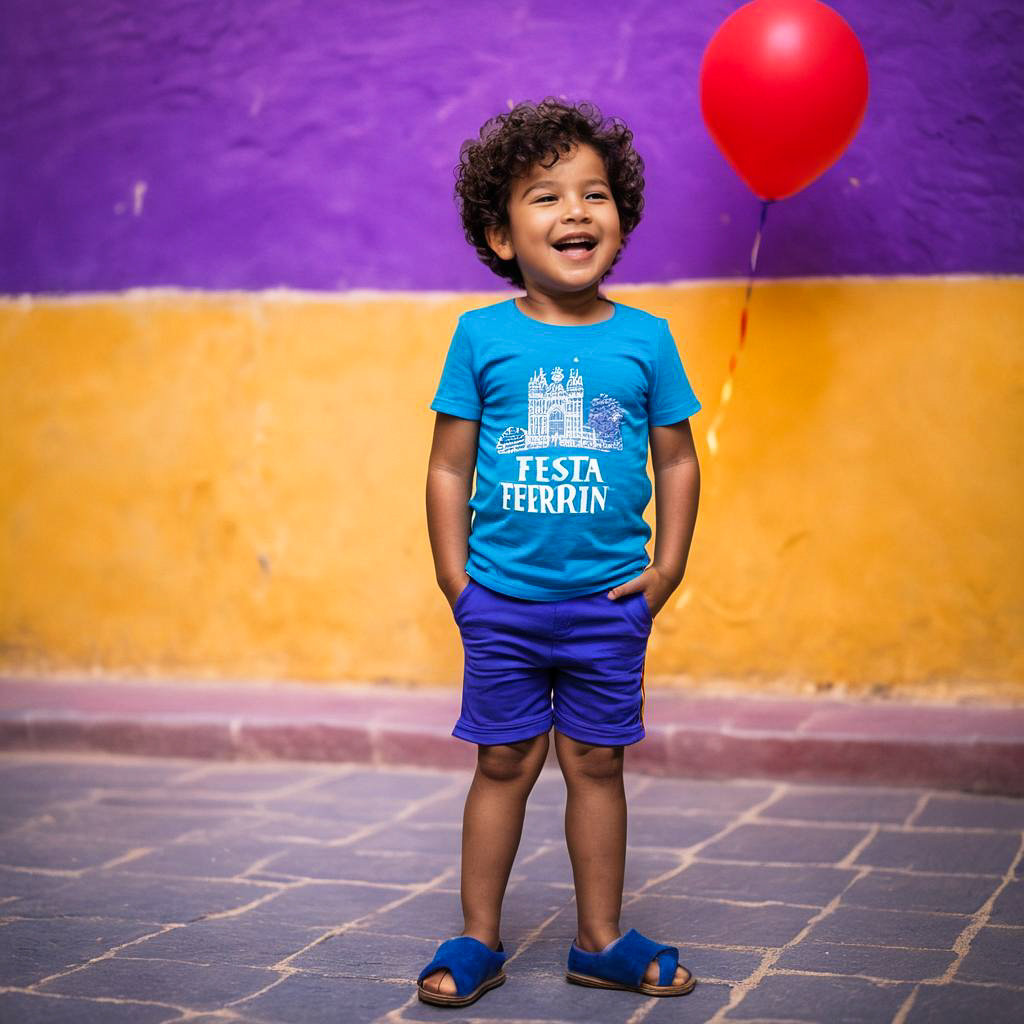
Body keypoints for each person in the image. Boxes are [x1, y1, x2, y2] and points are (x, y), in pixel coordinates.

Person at [420, 97, 701, 1008]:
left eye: (595, 194)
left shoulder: (647, 340)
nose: (576, 212)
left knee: (597, 763)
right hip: (502, 599)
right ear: (502, 236)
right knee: (503, 761)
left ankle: (599, 938)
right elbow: (447, 465)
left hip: (609, 604)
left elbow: (678, 459)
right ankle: (476, 938)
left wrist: (666, 569)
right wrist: (457, 580)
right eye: (545, 197)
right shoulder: (483, 336)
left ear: (620, 220)